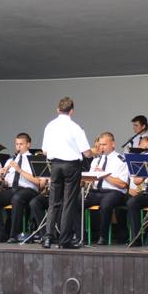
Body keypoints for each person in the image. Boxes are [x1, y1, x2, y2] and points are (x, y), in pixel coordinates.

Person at [41, 97, 93, 249]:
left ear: (58, 110)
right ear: (71, 111)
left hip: (55, 165)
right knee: (68, 203)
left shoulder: (50, 126)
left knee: (54, 202)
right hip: (71, 166)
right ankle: (64, 240)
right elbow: (86, 153)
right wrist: (92, 152)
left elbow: (45, 151)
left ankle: (48, 238)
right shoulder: (75, 128)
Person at [0, 133, 46, 243]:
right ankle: (0, 234)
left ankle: (14, 235)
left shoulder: (34, 160)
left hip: (29, 190)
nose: (18, 147)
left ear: (28, 144)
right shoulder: (10, 161)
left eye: (21, 144)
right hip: (12, 189)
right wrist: (2, 177)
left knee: (17, 198)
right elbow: (6, 183)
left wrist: (20, 170)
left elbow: (38, 182)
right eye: (17, 144)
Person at [83, 132, 130, 245]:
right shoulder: (96, 160)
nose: (101, 147)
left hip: (114, 192)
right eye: (100, 144)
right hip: (96, 191)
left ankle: (102, 236)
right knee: (76, 201)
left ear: (113, 144)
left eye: (104, 144)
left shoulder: (121, 160)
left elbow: (123, 184)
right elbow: (90, 180)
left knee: (106, 203)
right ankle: (81, 235)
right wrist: (85, 179)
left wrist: (104, 175)